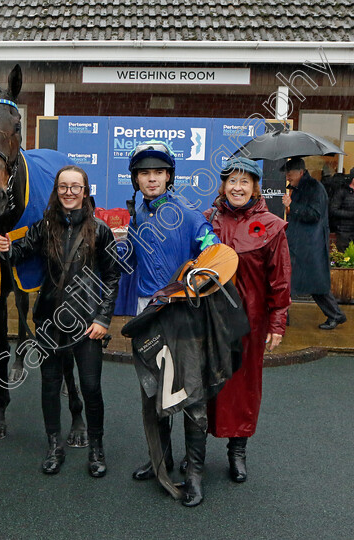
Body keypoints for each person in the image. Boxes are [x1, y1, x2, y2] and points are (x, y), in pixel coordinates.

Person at [0, 165, 120, 477]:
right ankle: (54, 446)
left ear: (85, 191)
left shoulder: (100, 230)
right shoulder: (43, 227)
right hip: (51, 322)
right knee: (50, 386)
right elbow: (18, 255)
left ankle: (96, 447)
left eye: (75, 187)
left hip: (88, 322)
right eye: (63, 186)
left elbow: (113, 276)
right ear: (56, 190)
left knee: (91, 387)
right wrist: (6, 250)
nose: (69, 192)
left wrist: (104, 319)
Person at [123, 140, 219, 507]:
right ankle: (159, 458)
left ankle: (194, 474)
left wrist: (187, 284)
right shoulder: (139, 214)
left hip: (181, 313)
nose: (151, 179)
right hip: (148, 314)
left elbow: (215, 257)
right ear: (136, 179)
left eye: (158, 172)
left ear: (169, 176)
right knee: (153, 391)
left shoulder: (189, 213)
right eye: (144, 173)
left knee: (191, 395)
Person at [205, 157, 291, 484]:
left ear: (254, 187)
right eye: (232, 181)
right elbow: (196, 263)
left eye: (244, 182)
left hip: (250, 321)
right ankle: (195, 449)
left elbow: (280, 278)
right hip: (210, 318)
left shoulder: (270, 226)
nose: (237, 188)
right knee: (204, 382)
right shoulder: (208, 221)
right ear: (223, 185)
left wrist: (277, 322)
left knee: (242, 385)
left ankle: (237, 450)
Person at [282, 157, 346, 330]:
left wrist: (292, 205)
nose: (288, 177)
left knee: (316, 282)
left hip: (311, 245)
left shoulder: (314, 188)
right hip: (299, 242)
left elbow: (314, 214)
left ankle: (335, 315)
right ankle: (282, 317)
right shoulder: (300, 187)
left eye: (290, 173)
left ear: (301, 172)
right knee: (287, 279)